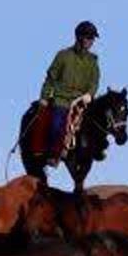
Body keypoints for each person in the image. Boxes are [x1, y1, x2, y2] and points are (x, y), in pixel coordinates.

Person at [35, 20, 101, 159]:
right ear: (79, 37)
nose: (91, 41)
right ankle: (53, 155)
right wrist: (44, 97)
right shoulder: (63, 56)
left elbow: (94, 81)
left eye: (93, 38)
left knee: (99, 122)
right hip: (62, 100)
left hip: (82, 101)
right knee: (56, 125)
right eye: (89, 38)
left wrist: (90, 94)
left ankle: (98, 149)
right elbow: (50, 78)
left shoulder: (93, 60)